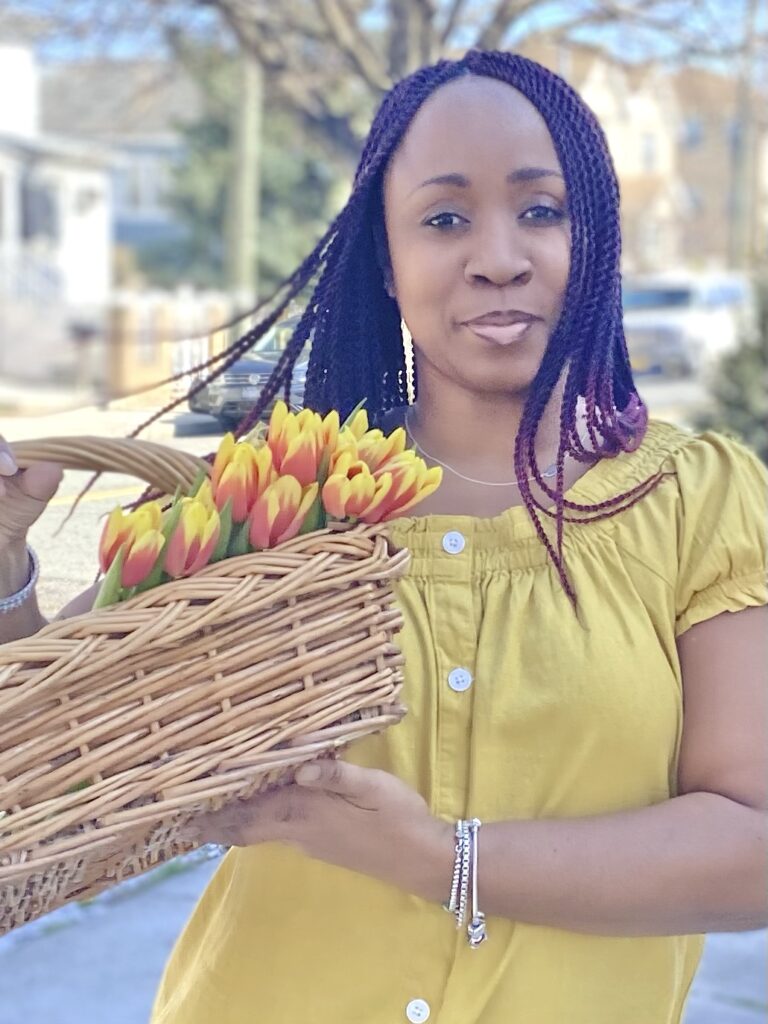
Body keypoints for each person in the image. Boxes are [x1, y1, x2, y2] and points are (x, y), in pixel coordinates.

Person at [1, 49, 766, 1024]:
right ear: (389, 263)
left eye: (542, 209)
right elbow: (59, 764)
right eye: (444, 219)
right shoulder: (285, 495)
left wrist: (440, 860)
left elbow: (753, 849)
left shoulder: (697, 499)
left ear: (598, 237)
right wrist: (5, 566)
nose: (498, 254)